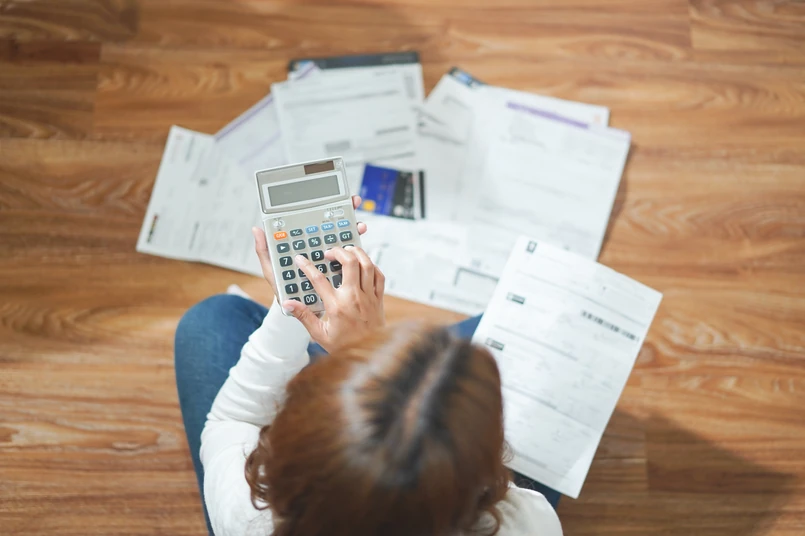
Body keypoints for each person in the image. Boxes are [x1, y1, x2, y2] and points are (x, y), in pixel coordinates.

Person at [175, 196, 563, 536]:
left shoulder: (251, 517)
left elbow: (233, 420)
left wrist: (304, 307)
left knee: (211, 319)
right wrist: (365, 351)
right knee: (534, 327)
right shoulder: (527, 524)